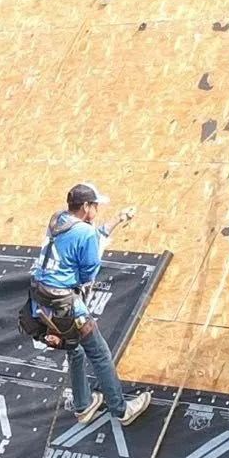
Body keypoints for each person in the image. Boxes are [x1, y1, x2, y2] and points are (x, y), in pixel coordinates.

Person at [30, 183, 152, 428]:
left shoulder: (58, 219)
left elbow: (88, 237)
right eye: (95, 205)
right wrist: (84, 284)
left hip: (42, 299)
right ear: (85, 207)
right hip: (66, 301)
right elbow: (88, 270)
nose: (96, 208)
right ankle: (121, 410)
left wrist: (117, 219)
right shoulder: (84, 233)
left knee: (74, 349)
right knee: (99, 353)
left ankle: (83, 406)